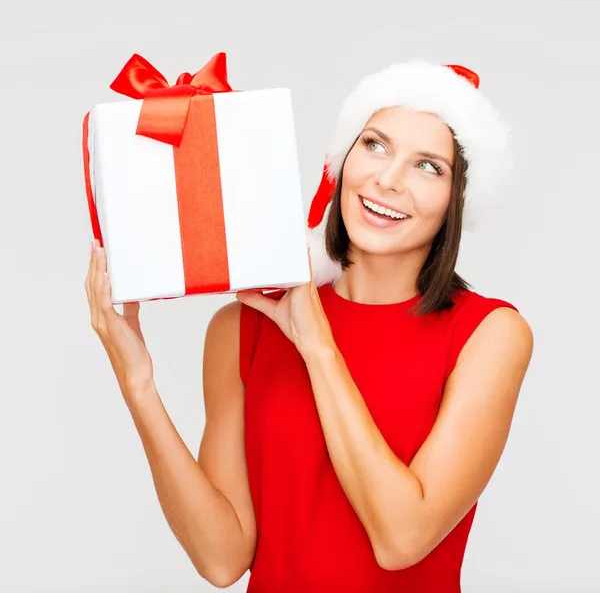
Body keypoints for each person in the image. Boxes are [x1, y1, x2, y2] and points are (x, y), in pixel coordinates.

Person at [85, 59, 534, 592]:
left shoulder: (489, 334)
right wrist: (139, 386)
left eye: (428, 166)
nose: (388, 180)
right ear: (341, 160)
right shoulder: (240, 331)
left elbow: (402, 540)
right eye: (375, 145)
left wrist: (317, 346)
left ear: (457, 200)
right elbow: (221, 559)